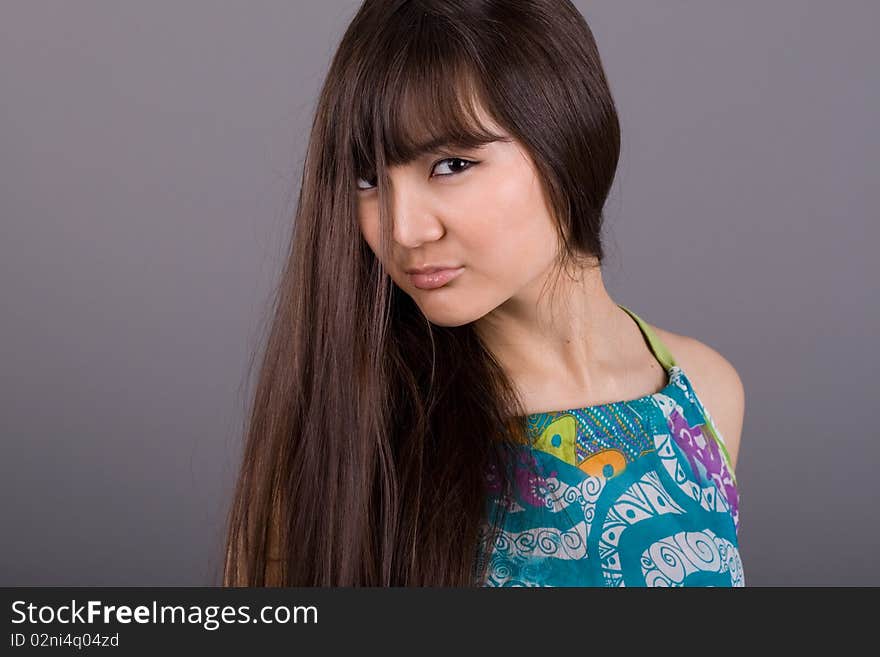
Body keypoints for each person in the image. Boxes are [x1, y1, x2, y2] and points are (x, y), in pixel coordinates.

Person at [223, 0, 745, 587]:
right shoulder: (354, 437)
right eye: (368, 180)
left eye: (450, 164)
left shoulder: (705, 391)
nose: (403, 230)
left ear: (566, 136)